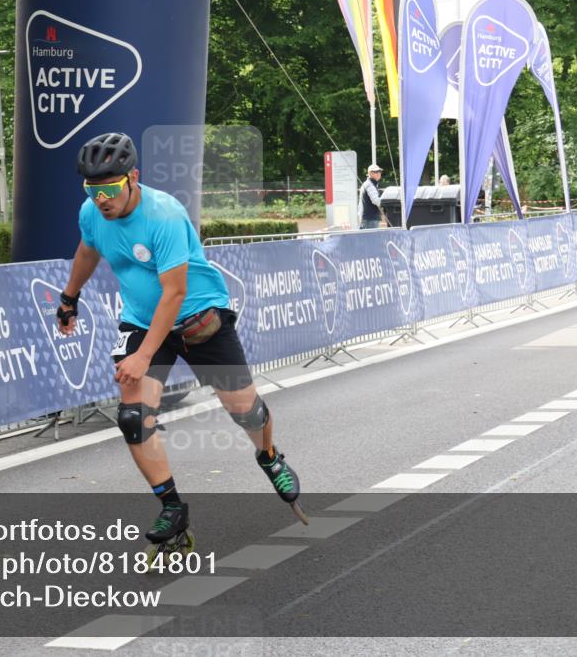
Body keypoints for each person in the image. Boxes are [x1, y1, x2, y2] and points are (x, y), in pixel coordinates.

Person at [57, 132, 306, 559]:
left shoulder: (164, 215)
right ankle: (172, 507)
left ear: (133, 177)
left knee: (246, 411)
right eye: (92, 190)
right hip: (140, 319)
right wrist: (69, 297)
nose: (101, 199)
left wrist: (142, 356)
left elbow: (173, 294)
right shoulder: (92, 213)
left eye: (110, 189)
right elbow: (87, 251)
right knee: (134, 416)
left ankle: (268, 456)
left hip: (198, 318)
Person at [358, 164, 384, 229]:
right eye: (376, 172)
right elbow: (376, 201)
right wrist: (385, 203)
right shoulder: (370, 185)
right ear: (370, 173)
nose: (378, 173)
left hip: (368, 218)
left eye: (379, 171)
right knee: (372, 238)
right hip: (370, 219)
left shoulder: (369, 184)